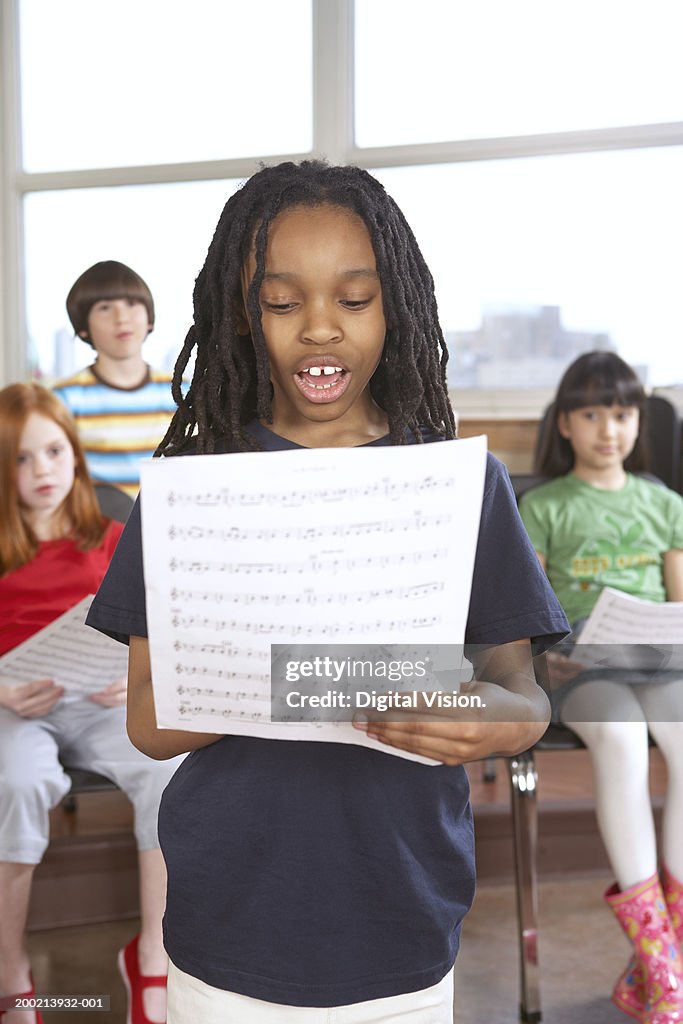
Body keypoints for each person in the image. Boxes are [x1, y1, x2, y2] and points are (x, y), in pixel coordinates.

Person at [87, 159, 569, 1024]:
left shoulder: (459, 484)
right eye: (281, 303)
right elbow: (150, 724)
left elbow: (521, 691)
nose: (318, 329)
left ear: (399, 307)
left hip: (407, 925)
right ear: (242, 316)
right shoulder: (191, 490)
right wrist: (325, 677)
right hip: (229, 933)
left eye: (353, 300)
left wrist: (497, 718)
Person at [0, 384, 183, 1024]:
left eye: (53, 452)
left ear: (75, 457)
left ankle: (152, 959)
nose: (42, 471)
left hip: (99, 697)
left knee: (168, 767)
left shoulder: (109, 535)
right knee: (18, 782)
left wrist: (128, 672)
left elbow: (155, 625)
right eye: (21, 459)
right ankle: (11, 974)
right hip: (16, 704)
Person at [519, 351, 683, 1023]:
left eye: (620, 414)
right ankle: (655, 960)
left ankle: (666, 960)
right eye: (590, 414)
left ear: (636, 421)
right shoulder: (539, 505)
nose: (607, 429)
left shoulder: (664, 503)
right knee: (616, 741)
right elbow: (523, 612)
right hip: (577, 664)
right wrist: (539, 661)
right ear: (564, 424)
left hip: (660, 659)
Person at [54, 260, 176, 498]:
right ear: (83, 328)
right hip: (97, 529)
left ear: (149, 319)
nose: (122, 317)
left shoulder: (182, 392)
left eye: (131, 304)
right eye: (105, 308)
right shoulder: (64, 399)